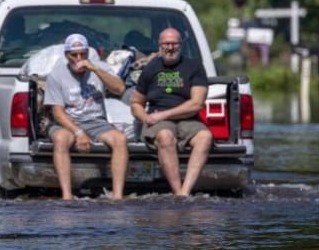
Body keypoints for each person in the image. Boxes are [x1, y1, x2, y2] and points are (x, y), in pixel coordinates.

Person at [44, 33, 129, 200]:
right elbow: (57, 112)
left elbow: (119, 89)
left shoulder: (99, 67)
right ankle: (67, 195)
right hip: (68, 122)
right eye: (73, 55)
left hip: (96, 121)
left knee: (120, 140)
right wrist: (78, 133)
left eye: (82, 54)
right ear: (66, 55)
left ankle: (118, 195)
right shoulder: (56, 74)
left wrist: (96, 69)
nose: (78, 58)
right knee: (61, 139)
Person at [130, 27, 212, 197]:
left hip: (188, 119)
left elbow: (197, 104)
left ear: (181, 45)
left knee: (205, 137)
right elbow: (136, 103)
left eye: (174, 43)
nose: (170, 47)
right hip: (159, 123)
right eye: (166, 43)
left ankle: (185, 191)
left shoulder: (194, 66)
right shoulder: (150, 68)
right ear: (159, 45)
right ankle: (178, 192)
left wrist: (163, 114)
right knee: (166, 136)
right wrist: (145, 117)